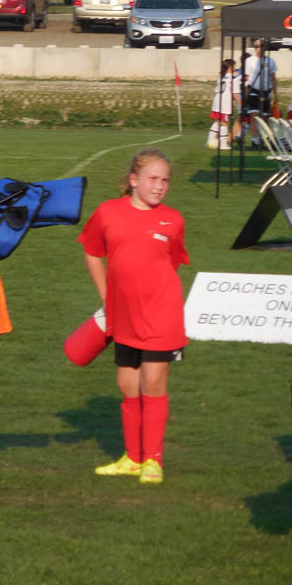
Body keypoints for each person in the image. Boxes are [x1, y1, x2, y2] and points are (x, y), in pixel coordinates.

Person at [78, 148, 189, 484]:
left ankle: (153, 460)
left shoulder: (173, 220)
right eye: (153, 179)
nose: (159, 186)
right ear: (133, 180)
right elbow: (92, 252)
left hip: (161, 315)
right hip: (122, 316)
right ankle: (132, 457)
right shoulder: (108, 212)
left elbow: (170, 262)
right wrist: (107, 296)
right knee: (127, 385)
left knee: (152, 384)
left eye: (165, 181)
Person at [242, 39, 278, 147]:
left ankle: (264, 137)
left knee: (265, 117)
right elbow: (246, 77)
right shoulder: (250, 61)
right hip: (254, 90)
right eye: (257, 46)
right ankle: (255, 139)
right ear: (254, 48)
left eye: (262, 46)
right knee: (254, 115)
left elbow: (273, 78)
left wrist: (275, 95)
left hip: (266, 91)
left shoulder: (270, 61)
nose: (260, 48)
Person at [207, 58, 240, 150]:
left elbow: (216, 92)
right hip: (225, 104)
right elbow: (234, 94)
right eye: (234, 65)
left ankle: (209, 140)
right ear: (230, 67)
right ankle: (223, 144)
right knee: (225, 123)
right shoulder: (233, 79)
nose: (235, 67)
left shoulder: (221, 78)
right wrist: (240, 103)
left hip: (217, 103)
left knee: (217, 122)